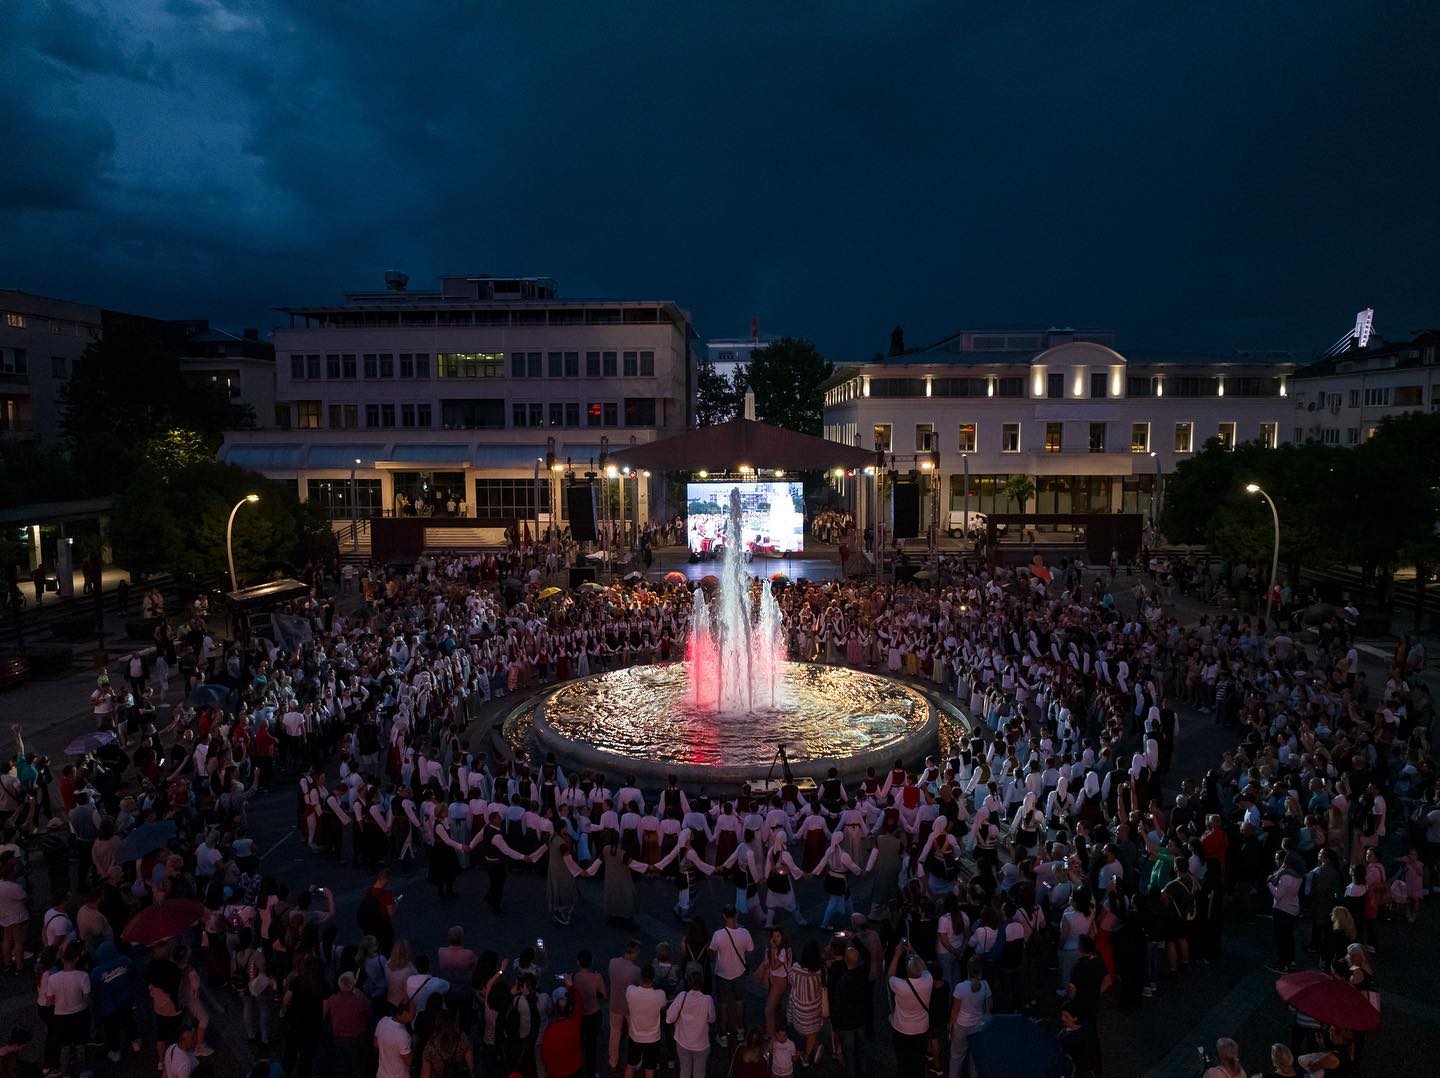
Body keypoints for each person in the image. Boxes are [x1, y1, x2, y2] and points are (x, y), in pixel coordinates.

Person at [709, 904, 754, 1048]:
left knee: (722, 1005)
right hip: (739, 973)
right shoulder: (745, 933)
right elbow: (749, 951)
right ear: (736, 915)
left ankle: (723, 1035)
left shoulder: (718, 935)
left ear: (724, 916)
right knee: (739, 1002)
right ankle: (740, 1030)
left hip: (722, 974)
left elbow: (712, 954)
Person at [887, 951, 932, 1078]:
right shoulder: (929, 980)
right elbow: (924, 967)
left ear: (907, 970)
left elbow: (889, 975)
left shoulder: (900, 985)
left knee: (903, 1062)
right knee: (918, 1060)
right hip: (922, 1028)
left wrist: (896, 954)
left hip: (902, 1029)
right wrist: (915, 953)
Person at [666, 968, 715, 1078]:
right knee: (699, 1072)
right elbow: (712, 1019)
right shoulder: (708, 1000)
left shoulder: (682, 996)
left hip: (683, 1041)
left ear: (688, 982)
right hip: (701, 1043)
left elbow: (669, 1018)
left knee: (684, 1069)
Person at [948, 957, 991, 1078]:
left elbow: (955, 1011)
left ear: (967, 969)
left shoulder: (960, 987)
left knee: (956, 1057)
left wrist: (950, 1025)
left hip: (961, 1026)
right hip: (978, 1026)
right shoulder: (985, 985)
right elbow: (989, 1007)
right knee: (974, 1057)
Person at [624, 963, 667, 1078]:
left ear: (640, 977)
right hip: (653, 1038)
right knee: (649, 1068)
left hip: (635, 1036)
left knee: (630, 1065)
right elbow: (663, 1007)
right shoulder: (660, 995)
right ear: (653, 978)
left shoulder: (630, 991)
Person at [375, 999, 415, 1078]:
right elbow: (409, 1061)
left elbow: (376, 1044)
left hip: (382, 1074)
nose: (415, 1014)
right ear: (404, 1013)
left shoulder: (383, 1021)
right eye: (413, 1011)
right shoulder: (402, 1034)